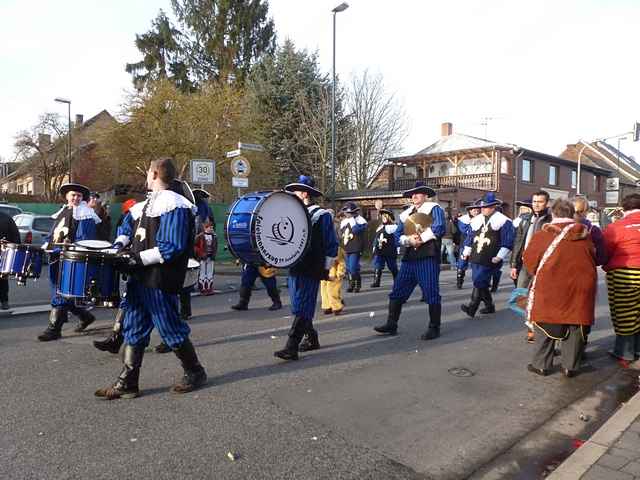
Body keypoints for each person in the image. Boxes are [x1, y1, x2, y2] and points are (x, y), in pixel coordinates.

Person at [95, 157, 206, 399]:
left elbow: (172, 246)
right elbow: (127, 228)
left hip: (160, 278)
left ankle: (195, 371)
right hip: (140, 277)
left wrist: (136, 259)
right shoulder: (146, 204)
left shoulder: (176, 205)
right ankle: (128, 382)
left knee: (170, 327)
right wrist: (119, 245)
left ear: (155, 174)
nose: (146, 175)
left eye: (148, 172)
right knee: (134, 326)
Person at [524, 199, 596, 377]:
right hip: (581, 286)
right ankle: (570, 367)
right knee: (575, 324)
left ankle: (541, 364)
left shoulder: (543, 235)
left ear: (553, 214)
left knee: (545, 323)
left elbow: (529, 260)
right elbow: (595, 257)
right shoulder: (585, 235)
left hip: (551, 285)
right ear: (572, 214)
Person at [274, 175, 338, 360]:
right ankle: (311, 338)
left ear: (304, 194)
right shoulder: (292, 214)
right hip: (295, 265)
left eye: (295, 192)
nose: (292, 195)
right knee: (298, 305)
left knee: (303, 305)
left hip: (312, 266)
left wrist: (325, 269)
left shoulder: (321, 215)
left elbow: (331, 244)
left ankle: (291, 346)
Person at [373, 181, 445, 340]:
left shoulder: (434, 209)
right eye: (412, 194)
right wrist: (408, 241)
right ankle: (391, 323)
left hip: (428, 256)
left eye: (417, 193)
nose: (414, 196)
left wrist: (420, 239)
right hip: (409, 258)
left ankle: (434, 327)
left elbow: (439, 228)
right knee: (397, 291)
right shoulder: (406, 214)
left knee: (431, 293)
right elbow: (398, 235)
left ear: (425, 195)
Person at [37, 183, 101, 341]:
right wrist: (47, 245)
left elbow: (85, 239)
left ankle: (54, 329)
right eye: (73, 195)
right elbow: (53, 235)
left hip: (71, 259)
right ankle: (85, 316)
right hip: (56, 256)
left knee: (61, 292)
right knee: (60, 291)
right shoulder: (64, 211)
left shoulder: (85, 214)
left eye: (79, 196)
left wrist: (70, 247)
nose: (76, 198)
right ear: (67, 196)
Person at [92, 199, 138, 354]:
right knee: (128, 300)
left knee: (163, 312)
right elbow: (125, 234)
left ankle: (173, 343)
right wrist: (118, 245)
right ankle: (115, 338)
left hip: (155, 267)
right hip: (137, 264)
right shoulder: (131, 216)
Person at [460, 192, 514, 319]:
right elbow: (470, 238)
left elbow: (508, 240)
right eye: (482, 207)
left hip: (491, 257)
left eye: (486, 207)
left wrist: (500, 256)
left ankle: (472, 307)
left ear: (493, 207)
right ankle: (489, 306)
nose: (482, 209)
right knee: (480, 281)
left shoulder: (503, 221)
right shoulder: (476, 220)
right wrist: (466, 252)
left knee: (479, 280)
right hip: (476, 256)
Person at [602, 193, 640, 362]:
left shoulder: (616, 227)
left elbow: (605, 251)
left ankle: (624, 351)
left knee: (624, 312)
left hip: (625, 273)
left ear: (624, 208)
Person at [510, 191, 552, 342]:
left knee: (539, 298)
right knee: (520, 296)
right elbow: (518, 242)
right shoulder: (526, 218)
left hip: (542, 265)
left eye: (540, 202)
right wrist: (514, 264)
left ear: (547, 203)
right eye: (534, 201)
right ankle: (530, 324)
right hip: (525, 264)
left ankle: (537, 329)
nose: (536, 204)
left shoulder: (551, 220)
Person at [339, 202, 367, 293]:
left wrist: (352, 221)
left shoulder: (360, 220)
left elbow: (355, 230)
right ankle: (351, 284)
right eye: (346, 212)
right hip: (346, 248)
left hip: (356, 248)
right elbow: (341, 235)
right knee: (348, 268)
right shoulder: (343, 222)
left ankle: (357, 283)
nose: (347, 214)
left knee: (353, 268)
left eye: (349, 212)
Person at [370, 208, 398, 287]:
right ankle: (376, 281)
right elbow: (376, 238)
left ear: (389, 217)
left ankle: (397, 281)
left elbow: (397, 238)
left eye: (385, 217)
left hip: (390, 250)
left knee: (392, 266)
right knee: (378, 265)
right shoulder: (380, 227)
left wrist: (397, 248)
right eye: (382, 217)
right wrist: (374, 247)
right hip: (379, 250)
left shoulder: (394, 227)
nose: (383, 218)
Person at [455, 201, 480, 289]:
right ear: (469, 211)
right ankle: (459, 281)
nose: (476, 212)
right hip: (464, 245)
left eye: (477, 210)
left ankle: (479, 282)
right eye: (474, 210)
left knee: (477, 264)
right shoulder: (463, 220)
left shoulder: (481, 219)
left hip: (477, 245)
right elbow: (465, 231)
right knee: (462, 264)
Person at [0, 210, 20, 310]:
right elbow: (16, 239)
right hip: (4, 253)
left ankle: (4, 301)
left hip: (3, 253)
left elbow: (16, 239)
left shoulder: (6, 218)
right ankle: (4, 301)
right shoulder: (7, 218)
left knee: (2, 278)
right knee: (2, 278)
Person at [194, 219, 217, 295]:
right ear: (205, 228)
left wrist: (214, 254)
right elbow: (195, 246)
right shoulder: (200, 236)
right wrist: (201, 253)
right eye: (210, 227)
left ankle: (209, 288)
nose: (211, 229)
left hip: (211, 257)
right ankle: (202, 288)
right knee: (202, 273)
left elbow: (215, 247)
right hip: (202, 258)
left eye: (212, 227)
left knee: (210, 273)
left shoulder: (214, 236)